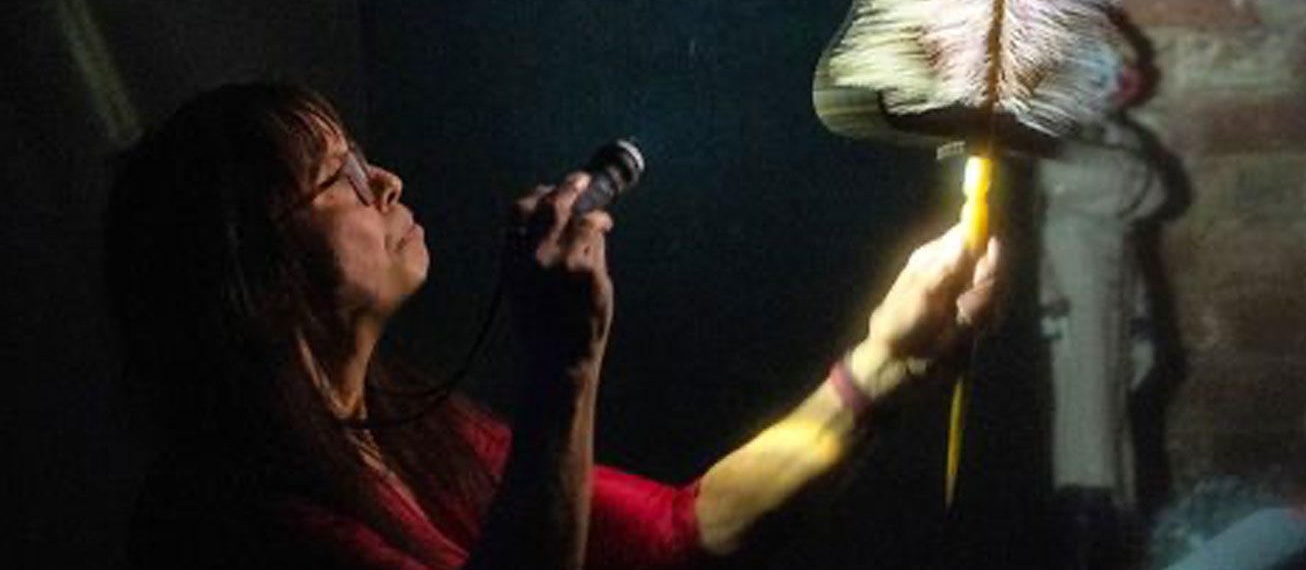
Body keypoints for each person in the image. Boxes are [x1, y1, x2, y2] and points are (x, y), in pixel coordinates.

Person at [104, 82, 1001, 569]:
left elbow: (677, 534)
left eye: (364, 158)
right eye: (334, 174)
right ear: (251, 269)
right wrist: (564, 369)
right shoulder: (236, 526)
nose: (386, 185)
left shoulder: (406, 429)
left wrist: (888, 361)